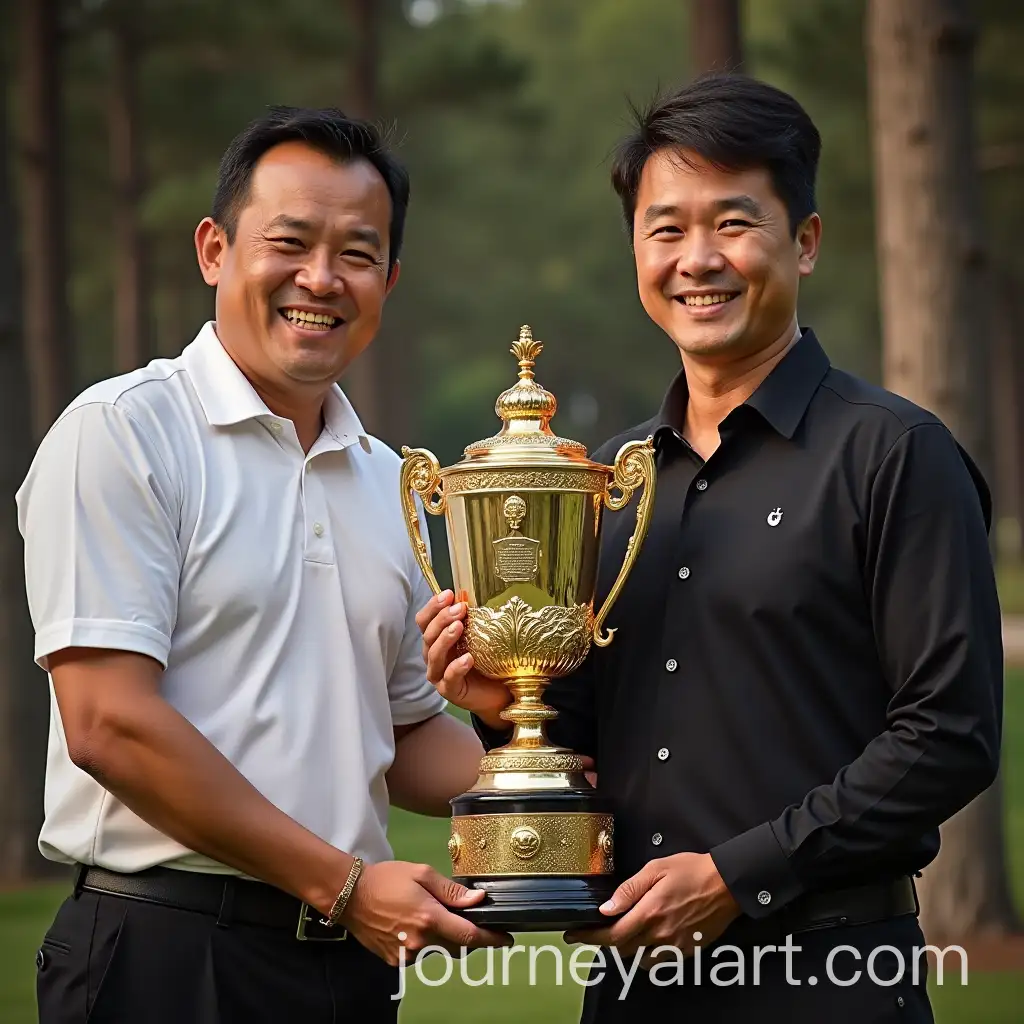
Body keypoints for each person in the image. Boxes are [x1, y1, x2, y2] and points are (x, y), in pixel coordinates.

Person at [416, 73, 1002, 1021]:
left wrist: (738, 876)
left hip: (830, 977)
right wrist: (500, 709)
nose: (698, 259)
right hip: (634, 985)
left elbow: (949, 736)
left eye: (734, 223)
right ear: (636, 253)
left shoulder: (895, 454)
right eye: (666, 229)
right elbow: (590, 749)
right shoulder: (609, 486)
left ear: (804, 241)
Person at [17, 106, 509, 1024]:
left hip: (346, 969)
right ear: (215, 250)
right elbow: (108, 724)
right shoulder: (123, 434)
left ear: (389, 280)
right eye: (289, 242)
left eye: (357, 254)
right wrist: (346, 886)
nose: (320, 278)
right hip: (164, 957)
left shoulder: (391, 479)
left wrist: (542, 758)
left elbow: (403, 735)